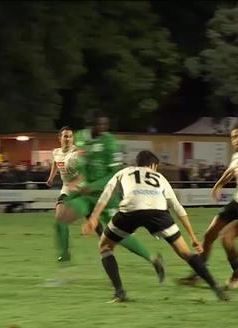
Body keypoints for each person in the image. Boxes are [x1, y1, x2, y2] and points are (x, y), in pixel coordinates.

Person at [82, 150, 228, 302]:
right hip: (158, 213)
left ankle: (119, 292)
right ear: (153, 165)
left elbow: (107, 193)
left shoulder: (125, 172)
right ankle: (215, 287)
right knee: (185, 252)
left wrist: (94, 217)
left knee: (105, 246)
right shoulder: (160, 177)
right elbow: (177, 207)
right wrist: (192, 237)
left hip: (131, 210)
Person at [56, 110, 163, 280]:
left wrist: (91, 185)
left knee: (119, 236)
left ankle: (152, 259)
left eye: (105, 124)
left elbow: (114, 173)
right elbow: (82, 162)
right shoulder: (80, 137)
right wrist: (79, 180)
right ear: (91, 124)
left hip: (107, 196)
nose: (104, 127)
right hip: (86, 195)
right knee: (61, 218)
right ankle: (64, 257)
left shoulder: (110, 143)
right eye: (100, 124)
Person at [178, 121, 238, 289]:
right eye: (233, 137)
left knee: (227, 237)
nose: (236, 140)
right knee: (209, 235)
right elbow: (230, 171)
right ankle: (199, 274)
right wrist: (219, 185)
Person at [46, 126, 79, 261]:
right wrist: (51, 177)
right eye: (65, 136)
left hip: (80, 189)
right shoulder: (56, 152)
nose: (68, 139)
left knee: (95, 222)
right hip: (66, 188)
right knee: (59, 219)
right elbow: (55, 163)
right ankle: (65, 253)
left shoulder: (77, 152)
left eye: (70, 136)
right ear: (60, 138)